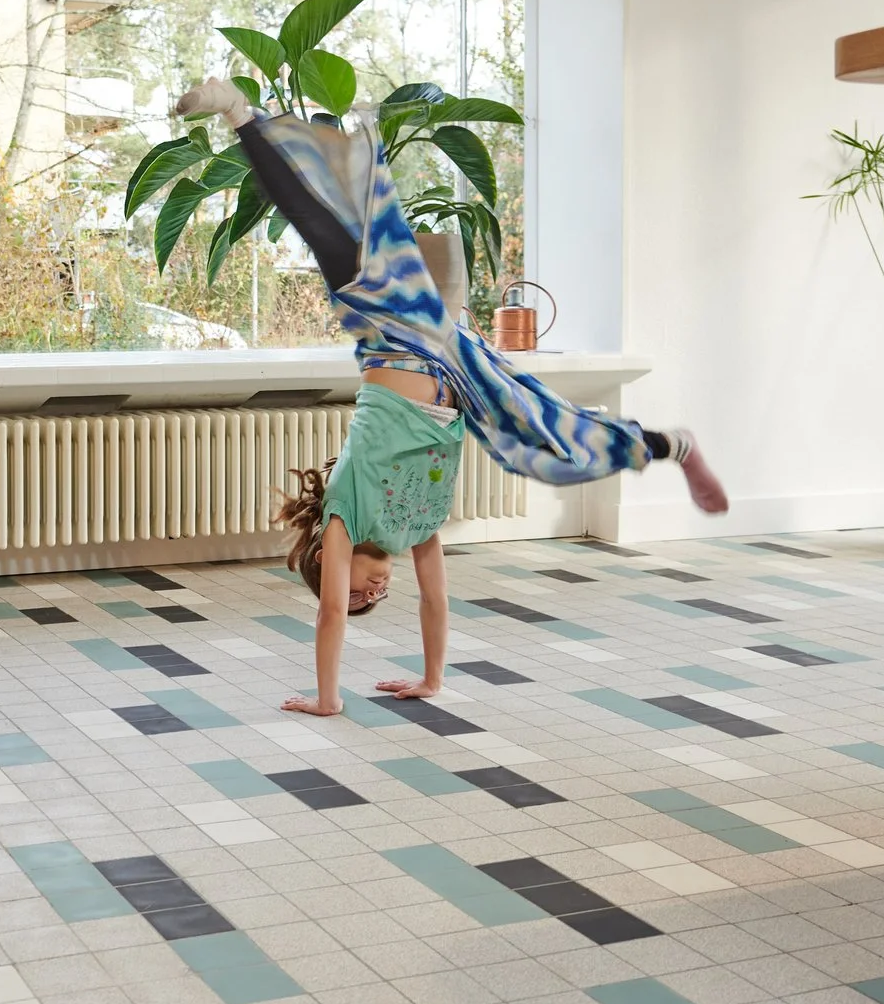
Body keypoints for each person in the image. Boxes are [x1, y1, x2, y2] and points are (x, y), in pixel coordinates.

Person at [169, 77, 728, 718]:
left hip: (396, 333)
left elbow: (328, 614)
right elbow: (435, 601)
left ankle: (240, 113)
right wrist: (432, 680)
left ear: (327, 559)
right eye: (375, 601)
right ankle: (672, 445)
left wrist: (328, 697)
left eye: (357, 593)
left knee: (321, 229)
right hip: (458, 368)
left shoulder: (345, 519)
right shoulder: (417, 529)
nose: (372, 593)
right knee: (550, 440)